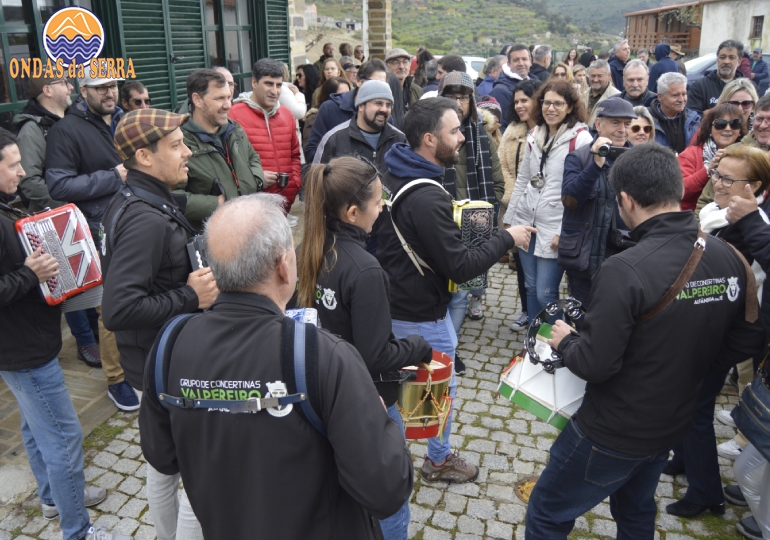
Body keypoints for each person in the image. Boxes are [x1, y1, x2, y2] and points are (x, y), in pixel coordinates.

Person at [525, 142, 766, 539]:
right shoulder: (728, 256)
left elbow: (596, 364)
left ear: (625, 200)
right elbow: (749, 337)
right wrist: (692, 365)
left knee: (548, 512)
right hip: (672, 422)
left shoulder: (624, 269)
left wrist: (566, 341)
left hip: (613, 429)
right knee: (635, 511)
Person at [139, 192, 412, 539]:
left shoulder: (171, 343)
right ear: (284, 265)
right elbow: (387, 489)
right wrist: (382, 423)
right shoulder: (323, 355)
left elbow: (162, 456)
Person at [373, 97, 535, 482]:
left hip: (393, 300)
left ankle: (388, 455)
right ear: (429, 139)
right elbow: (461, 267)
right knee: (439, 387)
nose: (463, 138)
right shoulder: (427, 197)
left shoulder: (392, 170)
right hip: (422, 312)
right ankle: (437, 459)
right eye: (455, 131)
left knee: (394, 385)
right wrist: (505, 238)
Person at [0, 128, 127, 540]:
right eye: (13, 164)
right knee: (64, 436)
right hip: (24, 351)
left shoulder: (7, 205)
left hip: (27, 344)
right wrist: (29, 274)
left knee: (35, 428)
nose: (22, 172)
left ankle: (56, 498)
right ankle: (78, 530)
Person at [297, 157, 431, 540]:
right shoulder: (366, 269)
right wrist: (417, 346)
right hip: (366, 401)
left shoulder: (313, 248)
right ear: (353, 212)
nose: (384, 207)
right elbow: (375, 357)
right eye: (377, 202)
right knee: (386, 501)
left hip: (321, 393)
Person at [102, 109, 219, 540]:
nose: (187, 152)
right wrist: (191, 296)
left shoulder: (145, 198)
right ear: (144, 157)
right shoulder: (144, 218)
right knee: (195, 472)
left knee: (161, 463)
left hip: (155, 362)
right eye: (175, 146)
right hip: (162, 367)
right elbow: (117, 310)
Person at [665, 144, 770, 522]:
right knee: (686, 400)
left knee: (694, 406)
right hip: (700, 323)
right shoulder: (714, 211)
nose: (719, 183)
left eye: (729, 178)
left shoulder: (756, 226)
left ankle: (706, 492)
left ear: (755, 186)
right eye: (717, 174)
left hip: (723, 331)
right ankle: (684, 458)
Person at [44, 66, 138, 411]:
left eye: (112, 86)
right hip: (99, 229)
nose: (109, 92)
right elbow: (59, 186)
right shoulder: (65, 131)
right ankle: (117, 379)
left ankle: (144, 364)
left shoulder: (126, 119)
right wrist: (113, 177)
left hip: (137, 217)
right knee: (111, 305)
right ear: (83, 92)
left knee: (143, 293)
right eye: (100, 88)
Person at [13, 74, 102, 369]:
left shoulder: (70, 121)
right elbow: (29, 182)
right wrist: (65, 207)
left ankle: (94, 334)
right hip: (51, 218)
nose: (72, 89)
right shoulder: (31, 129)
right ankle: (85, 340)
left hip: (73, 213)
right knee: (67, 279)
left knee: (87, 274)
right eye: (66, 84)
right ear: (47, 90)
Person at [504, 80, 592, 324]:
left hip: (555, 226)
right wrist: (510, 220)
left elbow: (583, 193)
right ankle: (535, 340)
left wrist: (564, 232)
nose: (550, 108)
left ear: (570, 106)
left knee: (545, 293)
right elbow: (523, 180)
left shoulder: (581, 140)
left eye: (558, 103)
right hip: (527, 222)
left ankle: (557, 341)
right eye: (546, 102)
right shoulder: (534, 134)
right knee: (530, 286)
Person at [438, 72, 505, 357]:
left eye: (462, 97)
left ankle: (448, 353)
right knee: (440, 292)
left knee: (461, 295)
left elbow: (498, 184)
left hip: (472, 230)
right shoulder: (429, 138)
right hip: (438, 224)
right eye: (450, 97)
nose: (457, 103)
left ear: (471, 101)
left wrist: (478, 216)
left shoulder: (481, 138)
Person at [559, 97, 636, 306]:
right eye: (615, 123)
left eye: (627, 124)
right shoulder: (579, 158)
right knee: (585, 318)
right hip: (586, 259)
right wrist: (595, 164)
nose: (622, 129)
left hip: (624, 258)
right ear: (599, 124)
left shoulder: (637, 159)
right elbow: (570, 200)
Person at [177, 69, 267, 231]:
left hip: (245, 228)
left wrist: (255, 180)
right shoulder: (177, 141)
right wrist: (217, 204)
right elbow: (174, 196)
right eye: (219, 98)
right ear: (197, 100)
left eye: (228, 97)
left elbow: (253, 157)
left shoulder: (234, 128)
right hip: (212, 239)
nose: (228, 105)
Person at [230, 59, 302, 213]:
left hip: (284, 203)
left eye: (279, 85)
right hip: (250, 207)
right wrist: (255, 176)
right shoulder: (234, 115)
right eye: (269, 84)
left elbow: (294, 154)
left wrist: (294, 182)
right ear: (254, 82)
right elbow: (228, 161)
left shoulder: (287, 114)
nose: (275, 91)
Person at [499, 79, 543, 330]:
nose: (519, 106)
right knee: (522, 265)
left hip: (543, 207)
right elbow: (503, 165)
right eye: (516, 101)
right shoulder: (512, 131)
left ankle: (542, 316)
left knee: (542, 268)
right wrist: (513, 193)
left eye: (524, 100)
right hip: (516, 204)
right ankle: (527, 311)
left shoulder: (549, 131)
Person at [304, 60, 389, 164]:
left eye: (383, 85)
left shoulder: (384, 114)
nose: (379, 89)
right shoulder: (330, 109)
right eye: (373, 83)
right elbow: (312, 152)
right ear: (358, 81)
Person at [313, 80, 405, 172]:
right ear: (361, 106)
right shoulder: (335, 139)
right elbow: (317, 180)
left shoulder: (399, 140)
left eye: (388, 105)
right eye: (378, 103)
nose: (384, 109)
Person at [679, 103, 744, 211]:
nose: (728, 128)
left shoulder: (746, 154)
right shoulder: (691, 154)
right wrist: (708, 170)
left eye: (734, 123)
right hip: (693, 217)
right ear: (710, 128)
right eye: (721, 124)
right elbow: (680, 190)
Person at [648, 72, 701, 153]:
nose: (681, 99)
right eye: (675, 95)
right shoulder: (646, 121)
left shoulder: (695, 120)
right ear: (660, 97)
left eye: (684, 94)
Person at [689, 40, 746, 115]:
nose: (726, 61)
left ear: (739, 61)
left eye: (731, 57)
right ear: (717, 59)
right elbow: (692, 118)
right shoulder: (699, 86)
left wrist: (710, 113)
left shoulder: (746, 88)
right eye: (722, 57)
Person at [491, 44, 533, 131]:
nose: (521, 63)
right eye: (516, 60)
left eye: (524, 59)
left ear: (530, 62)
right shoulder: (500, 91)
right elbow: (500, 128)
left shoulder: (535, 84)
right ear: (509, 64)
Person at [302, 77, 352, 150]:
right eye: (340, 95)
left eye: (348, 94)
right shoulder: (313, 118)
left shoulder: (353, 112)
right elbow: (310, 149)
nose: (346, 98)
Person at [584, 60, 621, 126]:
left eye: (599, 76)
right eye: (593, 76)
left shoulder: (617, 98)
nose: (595, 80)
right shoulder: (582, 96)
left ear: (609, 76)